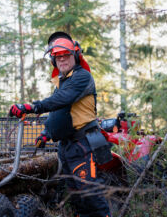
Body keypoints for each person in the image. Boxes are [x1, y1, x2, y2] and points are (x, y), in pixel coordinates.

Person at [9, 31, 111, 217]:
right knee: (77, 198)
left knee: (91, 196)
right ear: (54, 61)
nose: (62, 60)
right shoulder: (63, 82)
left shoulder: (82, 77)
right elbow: (60, 111)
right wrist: (47, 132)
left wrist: (31, 107)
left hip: (83, 144)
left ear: (75, 56)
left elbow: (63, 100)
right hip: (67, 147)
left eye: (66, 56)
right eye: (58, 57)